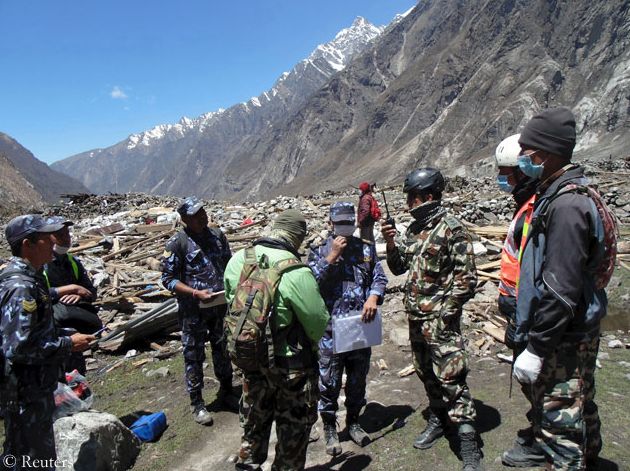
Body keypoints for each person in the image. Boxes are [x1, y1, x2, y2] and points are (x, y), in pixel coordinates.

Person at [511, 108, 606, 470]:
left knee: (560, 414)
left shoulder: (566, 205)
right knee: (580, 400)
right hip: (573, 327)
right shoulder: (563, 193)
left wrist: (536, 347)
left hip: (564, 333)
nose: (523, 159)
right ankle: (590, 456)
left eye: (527, 151)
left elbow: (561, 287)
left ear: (546, 154)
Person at [382, 168, 483, 471]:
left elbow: (467, 280)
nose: (409, 204)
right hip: (415, 318)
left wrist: (446, 313)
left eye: (412, 198)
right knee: (426, 373)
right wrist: (390, 242)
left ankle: (469, 445)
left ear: (428, 196)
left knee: (452, 378)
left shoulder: (453, 230)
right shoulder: (413, 231)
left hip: (441, 321)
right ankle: (438, 420)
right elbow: (399, 268)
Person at [224, 209, 329, 470]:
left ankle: (247, 463)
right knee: (292, 431)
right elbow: (318, 322)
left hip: (252, 360)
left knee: (253, 423)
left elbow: (230, 303)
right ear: (298, 238)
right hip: (291, 367)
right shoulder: (296, 271)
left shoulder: (238, 260)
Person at [0, 215, 94, 469]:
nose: (53, 243)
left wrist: (63, 290)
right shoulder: (21, 287)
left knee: (25, 454)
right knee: (32, 459)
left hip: (36, 388)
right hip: (25, 393)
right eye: (46, 239)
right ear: (28, 245)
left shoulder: (31, 279)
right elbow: (17, 347)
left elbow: (40, 301)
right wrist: (67, 344)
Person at [308, 202, 388, 456]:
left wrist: (374, 297)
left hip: (360, 327)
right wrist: (330, 257)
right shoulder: (318, 250)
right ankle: (330, 427)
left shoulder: (365, 249)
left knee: (357, 379)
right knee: (329, 381)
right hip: (331, 330)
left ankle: (353, 421)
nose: (346, 228)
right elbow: (310, 285)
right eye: (340, 223)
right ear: (331, 223)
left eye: (349, 223)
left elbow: (379, 277)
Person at [161, 196, 237, 426]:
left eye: (203, 212)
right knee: (193, 355)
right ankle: (197, 403)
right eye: (196, 215)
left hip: (219, 306)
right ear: (184, 219)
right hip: (193, 311)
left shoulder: (217, 236)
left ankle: (226, 391)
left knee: (222, 348)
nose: (202, 217)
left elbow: (229, 264)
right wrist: (194, 293)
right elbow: (168, 280)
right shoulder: (177, 243)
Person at [493, 135, 545, 468]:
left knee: (541, 382)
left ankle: (547, 440)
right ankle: (541, 428)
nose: (503, 179)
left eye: (507, 173)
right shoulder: (527, 205)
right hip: (521, 308)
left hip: (533, 313)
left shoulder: (538, 209)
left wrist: (523, 310)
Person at [42, 216, 102, 374]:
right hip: (51, 333)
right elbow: (34, 296)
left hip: (75, 329)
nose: (65, 239)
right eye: (59, 235)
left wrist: (80, 296)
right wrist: (70, 289)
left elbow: (91, 292)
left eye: (67, 234)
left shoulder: (73, 262)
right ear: (48, 239)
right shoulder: (40, 266)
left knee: (76, 376)